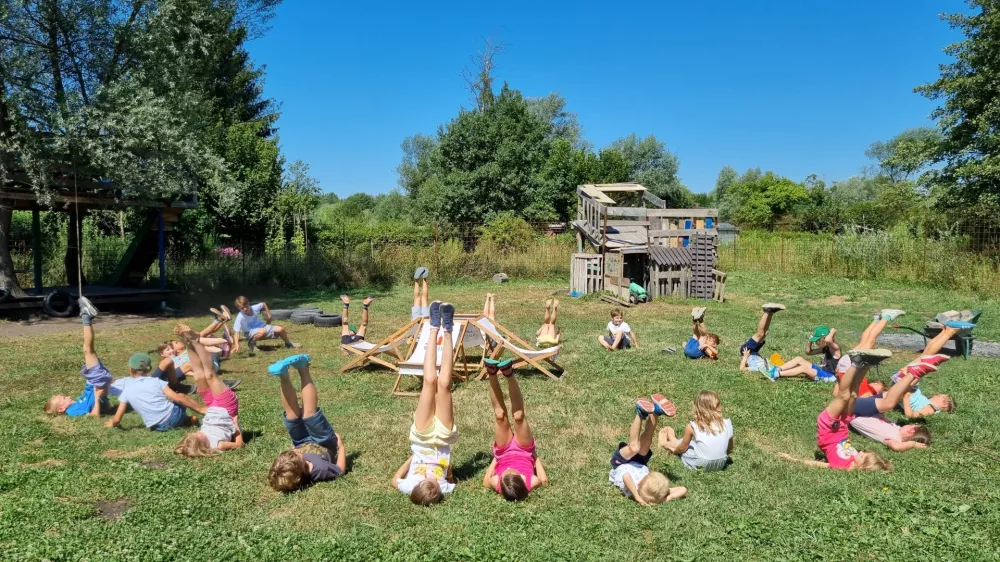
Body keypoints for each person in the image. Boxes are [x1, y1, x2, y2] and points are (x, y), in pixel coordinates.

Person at [778, 349, 894, 471]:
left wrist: (792, 459)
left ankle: (856, 362)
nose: (860, 452)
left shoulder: (843, 467)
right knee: (854, 395)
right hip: (842, 428)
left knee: (843, 395)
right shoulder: (856, 459)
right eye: (864, 453)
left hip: (828, 428)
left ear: (863, 467)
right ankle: (866, 365)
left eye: (863, 455)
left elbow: (819, 464)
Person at [391, 301, 459, 506]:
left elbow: (395, 481)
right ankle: (448, 330)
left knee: (429, 383)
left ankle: (433, 327)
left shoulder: (410, 485)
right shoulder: (443, 488)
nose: (432, 484)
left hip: (421, 438)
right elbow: (450, 479)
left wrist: (412, 458)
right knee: (445, 384)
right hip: (443, 439)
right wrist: (448, 472)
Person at [267, 354, 346, 492]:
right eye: (295, 454)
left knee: (291, 414)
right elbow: (340, 470)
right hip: (324, 442)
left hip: (301, 440)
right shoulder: (319, 470)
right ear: (302, 465)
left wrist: (296, 448)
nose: (295, 452)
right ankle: (303, 368)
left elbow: (295, 452)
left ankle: (283, 376)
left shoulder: (292, 464)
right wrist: (341, 447)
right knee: (310, 414)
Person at [172, 324, 244, 457]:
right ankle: (195, 340)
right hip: (226, 408)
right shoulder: (218, 444)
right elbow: (239, 445)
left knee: (199, 376)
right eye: (199, 436)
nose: (199, 432)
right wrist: (236, 424)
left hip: (211, 407)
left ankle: (187, 342)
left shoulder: (196, 440)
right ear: (203, 444)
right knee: (210, 374)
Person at [483, 358, 549, 501]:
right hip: (525, 451)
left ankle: (491, 373)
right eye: (512, 472)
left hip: (503, 451)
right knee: (519, 416)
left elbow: (486, 481)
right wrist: (534, 456)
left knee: (499, 416)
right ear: (521, 478)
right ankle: (509, 374)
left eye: (505, 473)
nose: (507, 469)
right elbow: (544, 481)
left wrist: (496, 458)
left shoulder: (499, 484)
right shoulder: (530, 482)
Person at [609, 396, 687, 505]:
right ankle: (655, 411)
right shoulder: (658, 491)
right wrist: (667, 498)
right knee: (647, 437)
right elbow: (683, 489)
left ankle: (640, 413)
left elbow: (626, 476)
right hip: (639, 463)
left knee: (634, 447)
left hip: (621, 463)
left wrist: (636, 495)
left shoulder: (635, 488)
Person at [44, 297, 112, 417]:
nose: (69, 396)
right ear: (61, 409)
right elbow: (94, 415)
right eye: (64, 398)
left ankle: (87, 316)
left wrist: (104, 401)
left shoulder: (76, 404)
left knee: (88, 350)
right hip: (97, 384)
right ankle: (86, 316)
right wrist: (97, 397)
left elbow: (104, 406)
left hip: (94, 383)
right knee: (88, 350)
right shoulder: (72, 411)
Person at [104, 352, 205, 431]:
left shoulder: (126, 390)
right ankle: (200, 411)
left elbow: (117, 419)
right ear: (149, 369)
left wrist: (113, 423)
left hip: (158, 427)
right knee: (181, 395)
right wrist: (199, 408)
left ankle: (187, 420)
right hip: (173, 416)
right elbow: (178, 398)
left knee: (173, 412)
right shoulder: (156, 381)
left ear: (130, 369)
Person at [658, 391, 734, 470]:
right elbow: (730, 448)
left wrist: (675, 451)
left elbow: (682, 449)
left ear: (697, 408)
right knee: (692, 443)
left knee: (686, 447)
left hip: (702, 464)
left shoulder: (693, 426)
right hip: (721, 463)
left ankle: (665, 444)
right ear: (717, 406)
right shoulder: (727, 423)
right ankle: (673, 439)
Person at [231, 296, 300, 357]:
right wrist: (236, 345)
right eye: (242, 308)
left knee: (281, 329)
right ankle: (252, 344)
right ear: (239, 308)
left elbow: (263, 304)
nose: (245, 309)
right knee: (262, 331)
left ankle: (288, 343)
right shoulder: (240, 317)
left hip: (262, 326)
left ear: (248, 303)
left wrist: (269, 314)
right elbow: (236, 332)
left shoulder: (254, 308)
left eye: (245, 306)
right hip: (249, 332)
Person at [737, 303, 785, 376]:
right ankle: (770, 312)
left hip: (747, 351)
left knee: (760, 334)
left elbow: (742, 369)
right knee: (764, 333)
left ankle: (767, 311)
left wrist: (745, 357)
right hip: (754, 352)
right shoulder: (769, 367)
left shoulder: (759, 368)